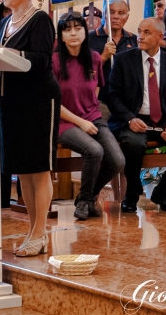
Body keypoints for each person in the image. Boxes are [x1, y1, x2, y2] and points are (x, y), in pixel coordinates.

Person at [0, 0, 60, 256]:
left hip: (39, 101)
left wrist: (5, 51)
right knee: (24, 171)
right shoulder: (4, 23)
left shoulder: (40, 19)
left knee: (39, 170)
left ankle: (40, 234)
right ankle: (32, 230)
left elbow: (41, 60)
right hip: (12, 102)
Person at [107, 18, 166, 213]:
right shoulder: (124, 60)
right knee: (133, 144)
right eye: (139, 31)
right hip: (135, 118)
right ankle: (131, 194)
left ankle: (164, 193)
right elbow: (112, 97)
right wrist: (130, 119)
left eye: (147, 32)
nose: (140, 36)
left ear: (159, 36)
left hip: (165, 119)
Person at [52, 12, 125, 220]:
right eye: (67, 30)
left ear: (85, 32)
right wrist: (81, 122)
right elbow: (54, 102)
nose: (73, 33)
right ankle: (85, 201)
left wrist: (89, 115)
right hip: (64, 121)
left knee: (117, 160)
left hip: (92, 117)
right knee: (94, 150)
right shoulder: (55, 61)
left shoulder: (94, 58)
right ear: (61, 35)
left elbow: (96, 89)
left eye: (78, 28)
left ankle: (88, 195)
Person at [87, 0, 137, 117]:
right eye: (111, 12)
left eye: (121, 13)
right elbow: (83, 72)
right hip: (99, 102)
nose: (115, 16)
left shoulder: (133, 39)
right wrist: (103, 57)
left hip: (127, 104)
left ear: (127, 17)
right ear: (104, 14)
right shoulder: (89, 38)